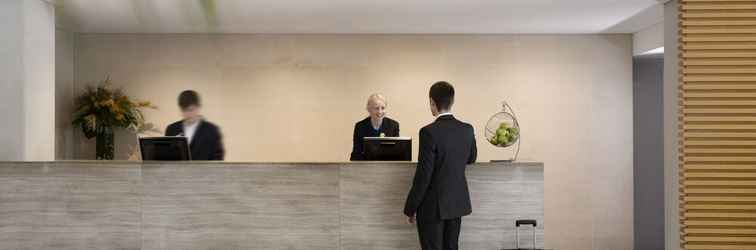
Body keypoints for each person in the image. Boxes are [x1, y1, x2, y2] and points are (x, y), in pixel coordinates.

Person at [403, 81, 477, 250]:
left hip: (432, 207)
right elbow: (471, 158)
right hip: (456, 203)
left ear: (432, 102)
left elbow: (424, 175)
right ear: (452, 101)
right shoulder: (467, 129)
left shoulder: (428, 132)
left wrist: (411, 207)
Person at [165, 90, 225, 161]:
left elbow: (218, 159)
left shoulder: (212, 130)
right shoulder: (172, 129)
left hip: (204, 172)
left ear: (198, 107)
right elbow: (166, 157)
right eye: (184, 110)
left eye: (191, 110)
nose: (188, 114)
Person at [350, 94, 400, 161]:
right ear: (369, 109)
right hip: (366, 166)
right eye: (376, 108)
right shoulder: (360, 127)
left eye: (383, 108)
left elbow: (396, 152)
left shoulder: (393, 125)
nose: (380, 112)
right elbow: (356, 153)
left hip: (387, 166)